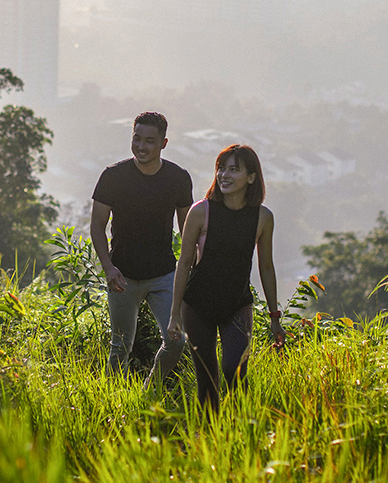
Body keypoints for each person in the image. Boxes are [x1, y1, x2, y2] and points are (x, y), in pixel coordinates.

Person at [167, 144, 286, 412]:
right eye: (221, 168)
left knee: (235, 369)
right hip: (197, 306)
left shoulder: (262, 218)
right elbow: (184, 263)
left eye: (234, 169)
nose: (224, 175)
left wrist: (274, 317)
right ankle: (211, 440)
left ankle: (241, 427)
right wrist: (174, 314)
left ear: (252, 177)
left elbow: (266, 267)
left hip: (237, 305)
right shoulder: (201, 211)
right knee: (207, 381)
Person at [91, 111, 193, 381]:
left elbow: (188, 230)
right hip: (122, 276)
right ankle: (114, 404)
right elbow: (97, 226)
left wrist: (191, 267)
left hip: (163, 275)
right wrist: (109, 268)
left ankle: (150, 390)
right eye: (137, 138)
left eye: (149, 141)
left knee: (176, 341)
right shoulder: (113, 176)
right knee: (120, 348)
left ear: (164, 143)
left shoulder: (178, 178)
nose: (141, 146)